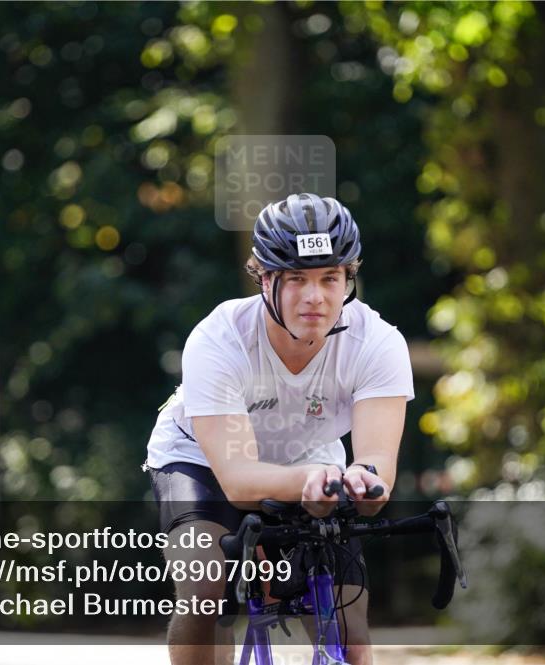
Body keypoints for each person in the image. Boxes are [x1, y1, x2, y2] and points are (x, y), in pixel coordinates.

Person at [144, 193, 414, 665]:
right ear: (264, 279)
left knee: (351, 626)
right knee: (205, 586)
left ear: (349, 278)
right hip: (202, 458)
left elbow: (376, 466)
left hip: (311, 460)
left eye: (330, 278)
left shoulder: (379, 343)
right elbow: (240, 481)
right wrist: (309, 483)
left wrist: (364, 482)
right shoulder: (219, 339)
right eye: (296, 280)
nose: (315, 296)